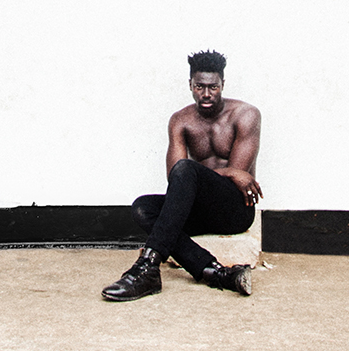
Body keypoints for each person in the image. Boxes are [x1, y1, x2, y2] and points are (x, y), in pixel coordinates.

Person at [102, 50, 262, 301]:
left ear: (222, 85)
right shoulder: (181, 120)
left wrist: (231, 172)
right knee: (143, 208)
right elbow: (175, 176)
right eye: (200, 87)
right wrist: (230, 170)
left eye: (213, 87)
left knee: (187, 171)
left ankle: (147, 268)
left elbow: (232, 181)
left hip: (234, 211)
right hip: (198, 209)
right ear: (190, 85)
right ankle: (214, 272)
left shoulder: (245, 115)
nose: (206, 94)